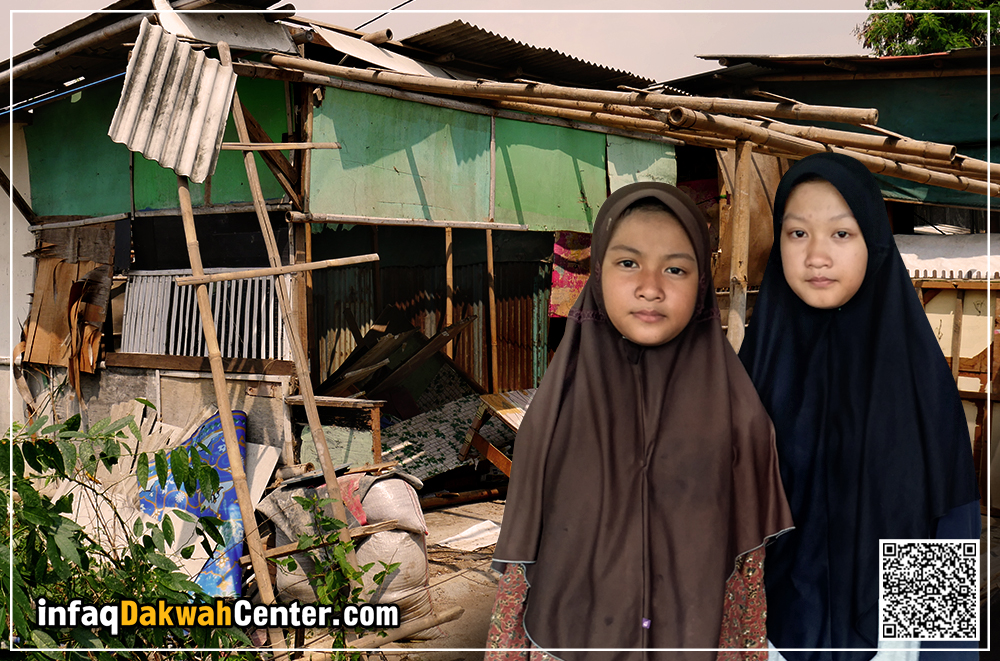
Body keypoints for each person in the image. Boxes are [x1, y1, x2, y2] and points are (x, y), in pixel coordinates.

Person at [488, 181, 794, 661]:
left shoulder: (742, 412)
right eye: (627, 262)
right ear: (596, 271)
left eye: (675, 268)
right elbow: (528, 564)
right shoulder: (558, 414)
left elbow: (746, 579)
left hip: (888, 640)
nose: (650, 287)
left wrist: (940, 644)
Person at [738, 153, 981, 661]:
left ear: (873, 238)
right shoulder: (751, 373)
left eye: (841, 234)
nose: (816, 256)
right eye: (797, 233)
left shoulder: (916, 379)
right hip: (769, 636)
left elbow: (948, 516)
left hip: (894, 644)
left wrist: (940, 654)